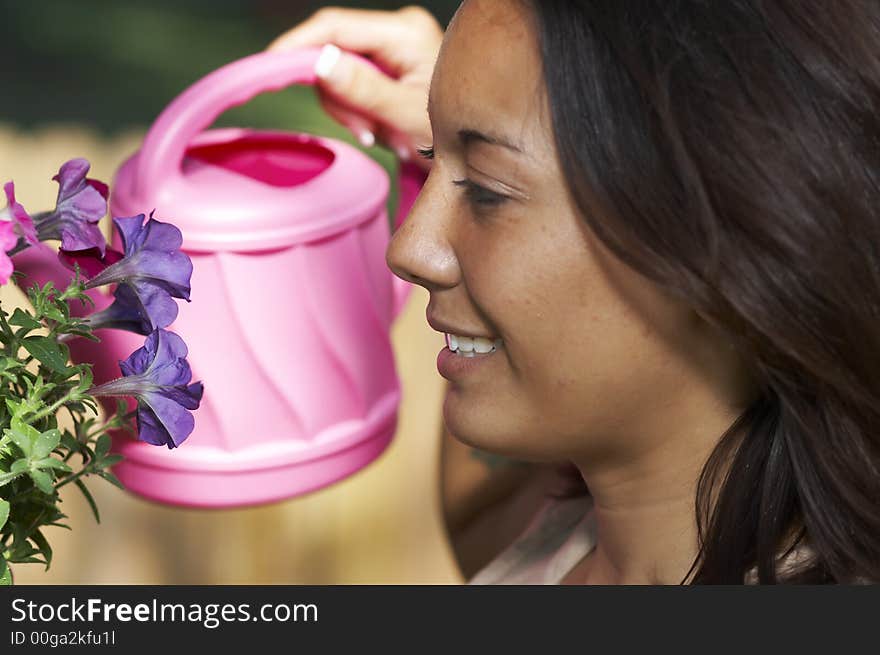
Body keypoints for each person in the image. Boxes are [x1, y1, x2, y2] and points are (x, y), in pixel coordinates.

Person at [269, 1, 880, 584]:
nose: (408, 251)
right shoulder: (566, 542)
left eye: (486, 191)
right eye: (432, 157)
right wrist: (480, 105)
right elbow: (478, 517)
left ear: (724, 244)